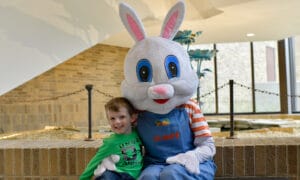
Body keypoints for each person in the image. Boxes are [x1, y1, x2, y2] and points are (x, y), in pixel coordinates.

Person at [79, 97, 143, 180]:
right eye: (112, 118)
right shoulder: (111, 142)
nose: (117, 122)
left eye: (122, 117)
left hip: (134, 177)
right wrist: (83, 178)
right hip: (118, 175)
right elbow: (95, 162)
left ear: (132, 118)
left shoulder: (137, 133)